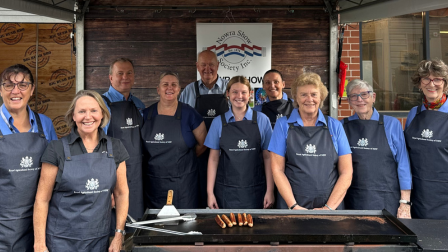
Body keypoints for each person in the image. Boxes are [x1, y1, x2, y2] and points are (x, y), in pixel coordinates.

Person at [33, 90, 129, 252]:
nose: (88, 116)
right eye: (82, 111)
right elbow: (42, 199)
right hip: (60, 241)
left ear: (102, 114)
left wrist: (119, 234)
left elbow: (121, 193)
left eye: (93, 110)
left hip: (100, 240)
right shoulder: (56, 149)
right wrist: (40, 244)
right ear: (73, 116)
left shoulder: (116, 147)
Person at [269, 72, 352, 210]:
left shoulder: (334, 126)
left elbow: (346, 172)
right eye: (303, 94)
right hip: (292, 207)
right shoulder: (283, 125)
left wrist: (328, 208)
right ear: (296, 97)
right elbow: (277, 169)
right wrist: (293, 206)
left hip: (331, 208)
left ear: (321, 97)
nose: (309, 99)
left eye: (314, 94)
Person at [0, 64, 57, 252]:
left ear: (32, 90)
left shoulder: (45, 124)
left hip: (40, 222)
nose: (15, 91)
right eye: (9, 85)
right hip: (4, 225)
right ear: (1, 90)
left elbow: (56, 169)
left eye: (23, 85)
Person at [342, 79, 411, 218]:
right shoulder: (342, 126)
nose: (359, 100)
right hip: (353, 199)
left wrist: (405, 202)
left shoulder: (392, 124)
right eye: (354, 96)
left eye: (364, 95)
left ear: (373, 97)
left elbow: (403, 163)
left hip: (387, 199)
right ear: (349, 101)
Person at [206, 76, 274, 209]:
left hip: (256, 191)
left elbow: (268, 157)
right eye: (234, 92)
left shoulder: (262, 120)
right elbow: (213, 159)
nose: (239, 96)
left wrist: (270, 191)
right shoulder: (218, 122)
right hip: (226, 192)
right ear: (227, 94)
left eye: (243, 92)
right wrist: (210, 193)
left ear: (250, 94)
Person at [141, 72, 207, 209]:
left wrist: (184, 161)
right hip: (154, 184)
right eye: (165, 84)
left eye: (173, 85)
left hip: (184, 185)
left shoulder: (190, 114)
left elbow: (203, 143)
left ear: (179, 89)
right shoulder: (146, 115)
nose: (169, 88)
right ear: (158, 89)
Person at [179, 50, 229, 208]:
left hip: (225, 154)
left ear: (218, 66)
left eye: (211, 64)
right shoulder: (188, 91)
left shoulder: (230, 89)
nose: (208, 68)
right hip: (197, 154)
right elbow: (180, 122)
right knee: (198, 196)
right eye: (203, 65)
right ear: (197, 67)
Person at [102, 58, 145, 226]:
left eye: (129, 73)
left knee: (135, 226)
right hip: (113, 175)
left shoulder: (138, 105)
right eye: (120, 73)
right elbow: (97, 147)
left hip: (136, 175)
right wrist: (108, 185)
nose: (125, 77)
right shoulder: (101, 105)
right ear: (111, 77)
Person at [404, 59, 448, 220]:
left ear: (445, 83)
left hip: (444, 197)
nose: (432, 84)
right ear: (420, 83)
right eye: (426, 79)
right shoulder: (414, 113)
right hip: (418, 195)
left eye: (437, 79)